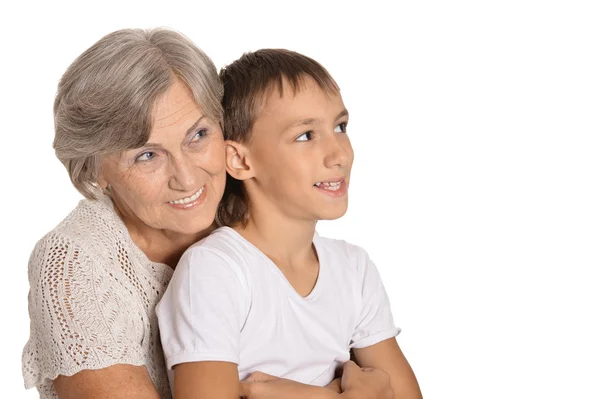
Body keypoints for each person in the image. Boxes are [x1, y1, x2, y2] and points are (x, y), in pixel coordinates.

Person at [22, 28, 395, 399]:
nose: (187, 179)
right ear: (96, 170)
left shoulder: (252, 215)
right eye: (147, 155)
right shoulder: (75, 261)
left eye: (198, 135)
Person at [156, 49, 423, 398]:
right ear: (239, 159)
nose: (339, 154)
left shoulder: (354, 270)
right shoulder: (215, 270)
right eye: (305, 135)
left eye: (340, 127)